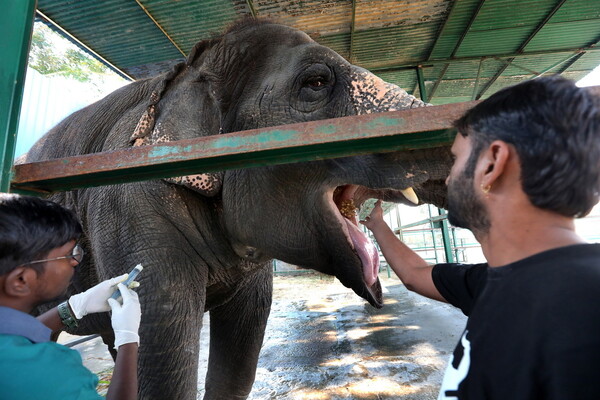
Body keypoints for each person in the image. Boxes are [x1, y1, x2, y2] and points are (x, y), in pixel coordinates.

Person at [361, 76, 600, 399]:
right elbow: (415, 277)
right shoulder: (497, 280)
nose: (447, 179)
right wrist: (376, 225)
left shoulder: (584, 307)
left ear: (492, 164)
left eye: (456, 159)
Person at [0, 193, 142, 400]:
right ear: (21, 280)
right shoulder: (48, 371)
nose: (75, 262)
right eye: (68, 254)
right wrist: (128, 340)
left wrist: (74, 307)